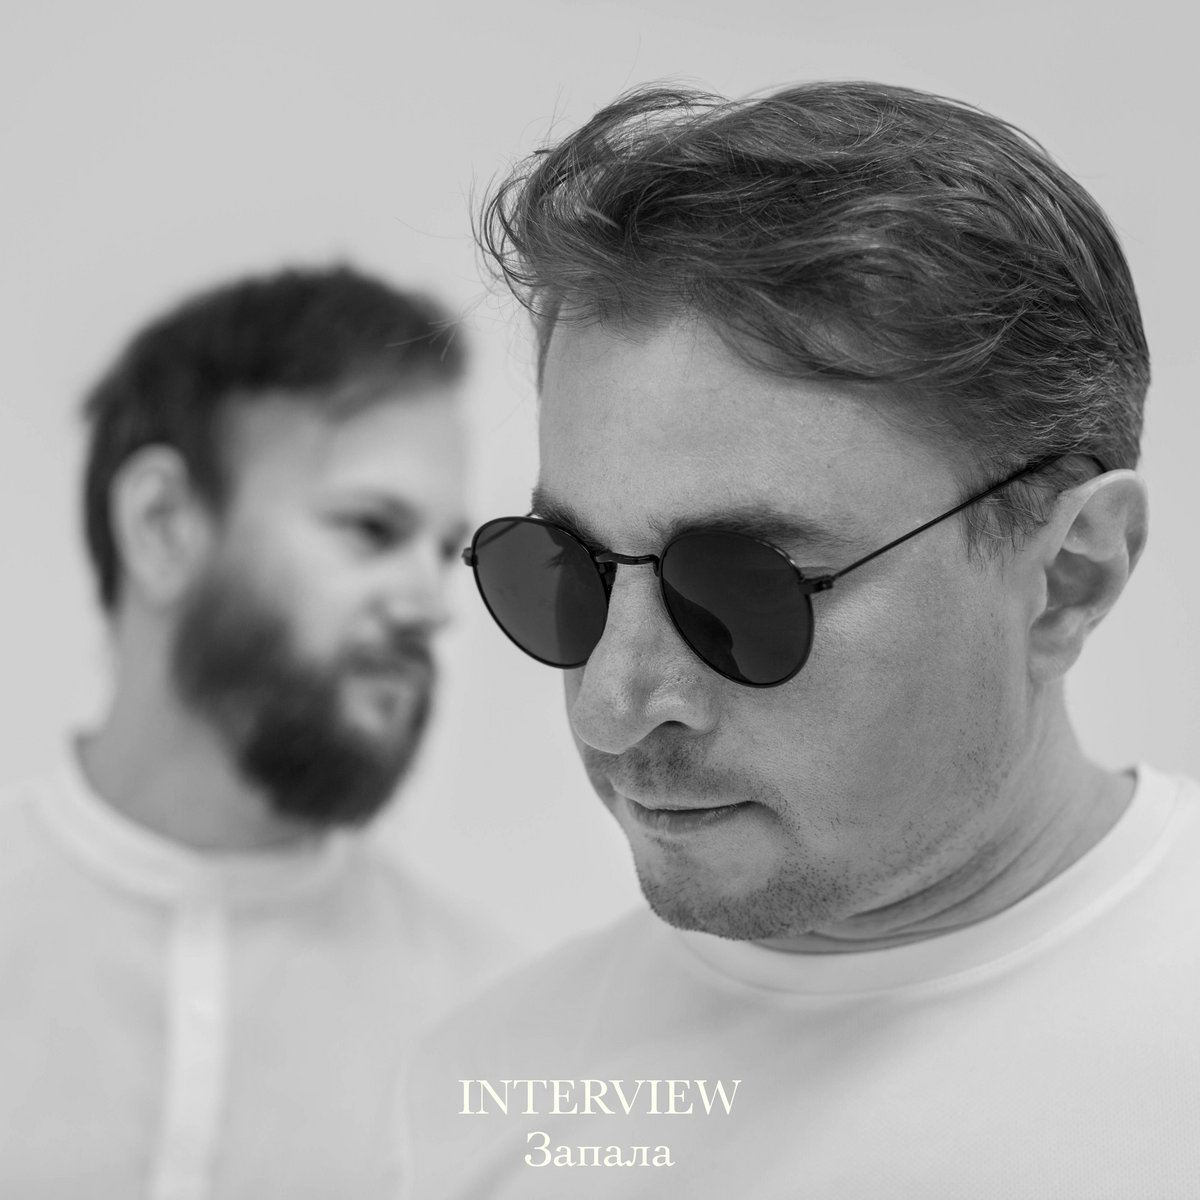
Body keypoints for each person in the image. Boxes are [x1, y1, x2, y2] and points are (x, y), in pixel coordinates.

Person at [398, 82, 1199, 1198]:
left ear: (1070, 577)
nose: (611, 707)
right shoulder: (475, 1103)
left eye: (743, 591)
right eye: (569, 571)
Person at [0, 265, 514, 1199]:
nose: (432, 604)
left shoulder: (489, 1028)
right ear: (162, 525)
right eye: (372, 528)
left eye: (443, 550)